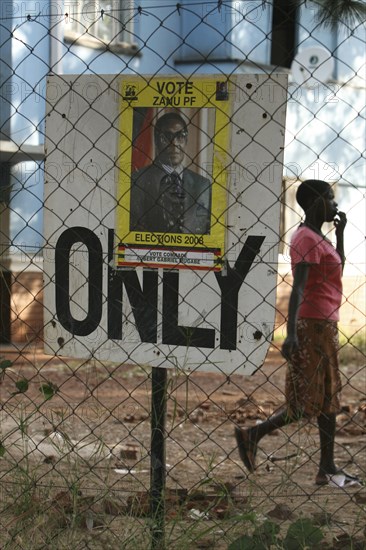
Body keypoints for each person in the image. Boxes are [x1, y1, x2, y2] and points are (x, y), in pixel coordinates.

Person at [235, 179, 361, 486]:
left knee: (326, 395)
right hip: (311, 325)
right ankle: (255, 434)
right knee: (308, 399)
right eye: (330, 199)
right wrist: (290, 333)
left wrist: (341, 235)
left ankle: (326, 466)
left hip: (325, 323)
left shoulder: (320, 236)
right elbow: (299, 288)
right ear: (315, 202)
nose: (335, 204)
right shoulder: (305, 237)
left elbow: (336, 270)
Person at [130, 112, 211, 234]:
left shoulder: (203, 185)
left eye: (180, 136)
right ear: (156, 141)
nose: (174, 144)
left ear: (186, 141)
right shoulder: (136, 182)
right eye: (167, 137)